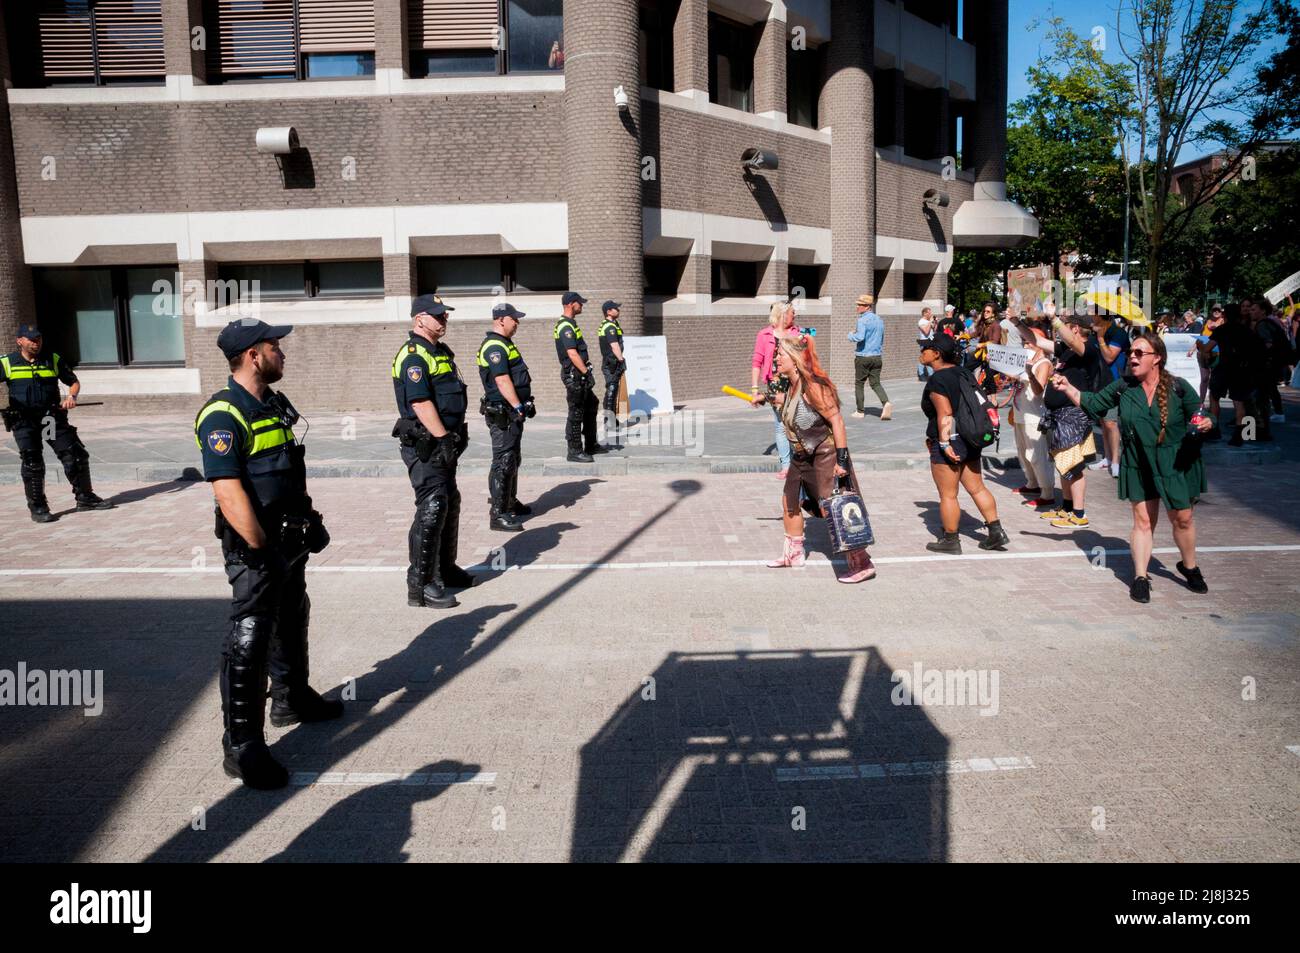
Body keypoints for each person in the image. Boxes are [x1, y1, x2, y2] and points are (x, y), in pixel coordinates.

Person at [194, 319, 342, 789]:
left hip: (289, 538)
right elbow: (228, 492)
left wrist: (307, 521)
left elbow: (288, 472)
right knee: (251, 630)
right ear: (253, 355)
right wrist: (262, 549)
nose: (283, 353)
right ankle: (242, 746)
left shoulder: (273, 404)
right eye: (275, 346)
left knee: (293, 612)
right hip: (256, 545)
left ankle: (291, 698)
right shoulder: (222, 414)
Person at [1051, 333, 1212, 603]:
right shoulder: (1123, 387)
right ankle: (1140, 576)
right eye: (1132, 353)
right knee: (1143, 521)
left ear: (1157, 358)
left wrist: (1205, 423)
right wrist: (1067, 387)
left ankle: (1189, 566)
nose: (1133, 357)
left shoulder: (1178, 387)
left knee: (1182, 519)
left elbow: (1201, 413)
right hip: (1138, 461)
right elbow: (1092, 402)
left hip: (1176, 460)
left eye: (1140, 353)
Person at [766, 333, 876, 582]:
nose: (776, 359)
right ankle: (793, 555)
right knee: (789, 501)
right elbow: (791, 405)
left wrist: (842, 460)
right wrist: (768, 398)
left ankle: (862, 562)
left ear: (794, 359)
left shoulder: (813, 385)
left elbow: (836, 420)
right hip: (801, 454)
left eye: (780, 355)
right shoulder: (792, 385)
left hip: (823, 453)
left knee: (834, 508)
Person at [392, 295, 475, 610]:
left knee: (448, 502)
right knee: (432, 506)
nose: (444, 321)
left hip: (444, 444)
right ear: (419, 320)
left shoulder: (439, 352)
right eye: (437, 316)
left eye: (445, 316)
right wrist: (442, 439)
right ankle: (422, 583)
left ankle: (445, 569)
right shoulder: (413, 355)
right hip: (427, 446)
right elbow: (420, 402)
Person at [0, 324, 115, 522]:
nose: (36, 343)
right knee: (33, 463)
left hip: (49, 419)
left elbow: (73, 382)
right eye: (31, 339)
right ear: (20, 341)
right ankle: (38, 508)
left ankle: (85, 498)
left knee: (74, 454)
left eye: (38, 339)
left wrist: (72, 396)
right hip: (24, 421)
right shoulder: (7, 363)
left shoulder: (52, 359)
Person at [919, 333, 1009, 554]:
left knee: (948, 494)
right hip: (970, 437)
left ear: (937, 354)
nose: (922, 352)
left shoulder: (938, 379)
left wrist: (944, 443)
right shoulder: (963, 372)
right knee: (977, 487)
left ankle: (951, 540)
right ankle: (996, 531)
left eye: (926, 348)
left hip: (952, 439)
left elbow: (945, 413)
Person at [1039, 305, 1103, 529]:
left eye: (1064, 327)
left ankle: (1079, 514)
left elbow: (1076, 343)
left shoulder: (1089, 349)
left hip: (1073, 416)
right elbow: (1038, 342)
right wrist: (1017, 322)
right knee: (1063, 464)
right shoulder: (1066, 350)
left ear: (1075, 328)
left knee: (1073, 466)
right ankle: (1066, 508)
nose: (1059, 331)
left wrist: (1054, 318)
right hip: (1059, 415)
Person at [478, 302, 535, 533]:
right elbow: (502, 380)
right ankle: (499, 513)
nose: (517, 322)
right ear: (501, 319)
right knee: (503, 461)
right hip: (503, 412)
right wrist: (518, 406)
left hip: (511, 411)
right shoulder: (494, 345)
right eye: (514, 318)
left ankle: (509, 501)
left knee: (512, 458)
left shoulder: (505, 343)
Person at [1008, 322, 1056, 511]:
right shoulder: (1026, 360)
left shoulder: (1044, 363)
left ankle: (1047, 493)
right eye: (1025, 341)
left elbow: (1038, 390)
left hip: (1035, 415)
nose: (1026, 344)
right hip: (1021, 412)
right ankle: (1032, 484)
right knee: (1022, 452)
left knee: (1037, 455)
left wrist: (1027, 374)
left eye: (1030, 341)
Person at [555, 291, 604, 462]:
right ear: (570, 304)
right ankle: (574, 450)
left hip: (580, 374)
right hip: (574, 375)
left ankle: (591, 444)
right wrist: (586, 372)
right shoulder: (565, 326)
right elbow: (572, 353)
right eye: (579, 303)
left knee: (592, 404)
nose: (581, 305)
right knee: (576, 412)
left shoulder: (571, 324)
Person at [750, 301, 796, 477]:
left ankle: (798, 461)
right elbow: (757, 363)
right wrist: (755, 390)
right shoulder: (764, 334)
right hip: (775, 384)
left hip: (794, 383)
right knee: (780, 425)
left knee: (794, 421)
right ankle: (786, 465)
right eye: (792, 312)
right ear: (783, 314)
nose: (795, 315)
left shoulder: (796, 334)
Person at [1090, 311, 1131, 478]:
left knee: (1111, 423)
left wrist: (1100, 339)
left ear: (1100, 316)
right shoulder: (1101, 333)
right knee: (1103, 422)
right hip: (1099, 382)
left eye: (1093, 313)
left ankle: (1115, 461)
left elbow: (1109, 357)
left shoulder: (1118, 333)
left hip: (1114, 383)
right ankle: (1107, 458)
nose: (1091, 316)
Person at [847, 293, 892, 420]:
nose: (857, 307)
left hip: (863, 357)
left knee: (859, 383)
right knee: (875, 383)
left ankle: (860, 411)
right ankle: (886, 402)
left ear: (867, 306)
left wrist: (850, 335)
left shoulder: (862, 320)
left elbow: (860, 337)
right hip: (877, 356)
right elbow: (881, 338)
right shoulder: (879, 320)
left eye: (860, 305)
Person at [597, 300, 627, 445]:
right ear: (608, 311)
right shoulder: (609, 326)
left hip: (612, 362)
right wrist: (621, 359)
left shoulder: (612, 324)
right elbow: (614, 345)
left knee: (612, 390)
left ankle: (611, 419)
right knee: (612, 389)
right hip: (612, 363)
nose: (618, 310)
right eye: (615, 308)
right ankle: (609, 421)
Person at [916, 310, 935, 380]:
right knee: (927, 357)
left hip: (930, 341)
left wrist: (935, 323)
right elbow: (926, 332)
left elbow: (934, 330)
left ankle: (923, 374)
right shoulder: (921, 321)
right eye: (929, 313)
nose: (931, 314)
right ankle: (928, 375)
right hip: (924, 342)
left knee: (926, 357)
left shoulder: (928, 321)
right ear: (925, 313)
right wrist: (930, 322)